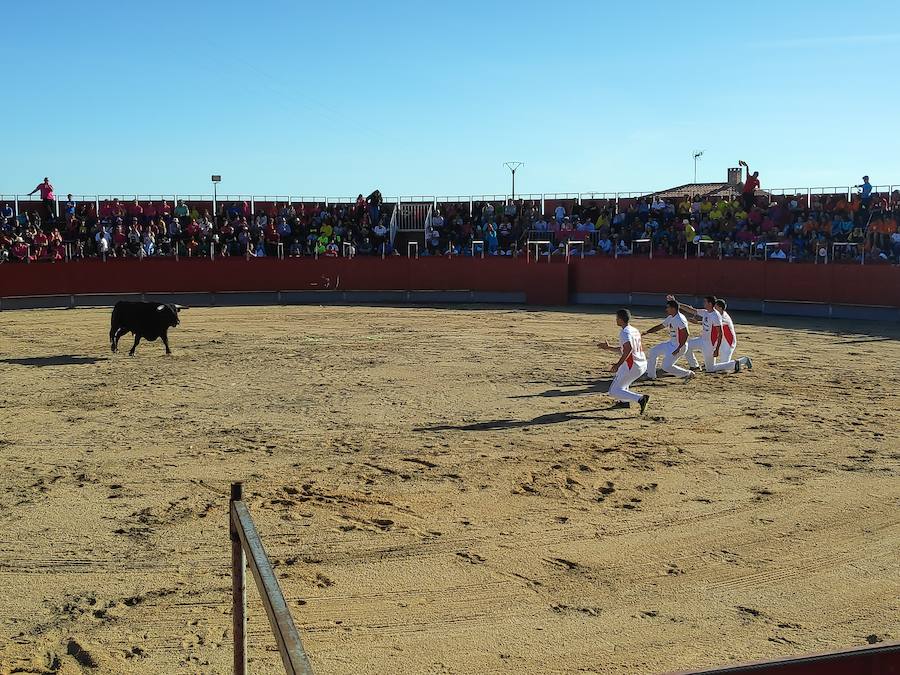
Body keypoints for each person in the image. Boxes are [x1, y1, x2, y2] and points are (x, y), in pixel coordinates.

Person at [597, 309, 650, 414]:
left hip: (632, 365)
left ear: (620, 319)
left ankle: (640, 398)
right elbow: (625, 349)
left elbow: (628, 349)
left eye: (617, 318)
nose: (616, 320)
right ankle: (624, 402)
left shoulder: (624, 332)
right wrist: (609, 348)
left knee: (613, 391)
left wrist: (618, 364)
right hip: (641, 364)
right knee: (623, 382)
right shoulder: (634, 330)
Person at [667, 294, 723, 372]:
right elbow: (691, 310)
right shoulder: (706, 312)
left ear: (710, 304)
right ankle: (694, 366)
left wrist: (717, 349)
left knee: (710, 369)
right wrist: (676, 303)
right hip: (702, 340)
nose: (703, 303)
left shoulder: (715, 316)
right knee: (687, 346)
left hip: (710, 344)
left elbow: (720, 333)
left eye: (705, 302)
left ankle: (735, 363)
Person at [644, 300, 695, 381]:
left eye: (668, 307)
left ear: (673, 308)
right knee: (653, 351)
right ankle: (651, 375)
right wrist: (647, 332)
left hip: (679, 346)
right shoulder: (671, 317)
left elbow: (686, 334)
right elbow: (661, 326)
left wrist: (678, 348)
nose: (666, 309)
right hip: (671, 344)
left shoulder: (679, 319)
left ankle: (688, 373)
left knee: (666, 366)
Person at [706, 299, 753, 373]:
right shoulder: (718, 315)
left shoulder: (724, 317)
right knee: (722, 365)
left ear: (720, 308)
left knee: (724, 367)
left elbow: (713, 322)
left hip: (728, 343)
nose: (713, 308)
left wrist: (700, 322)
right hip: (721, 342)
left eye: (715, 307)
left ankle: (744, 360)